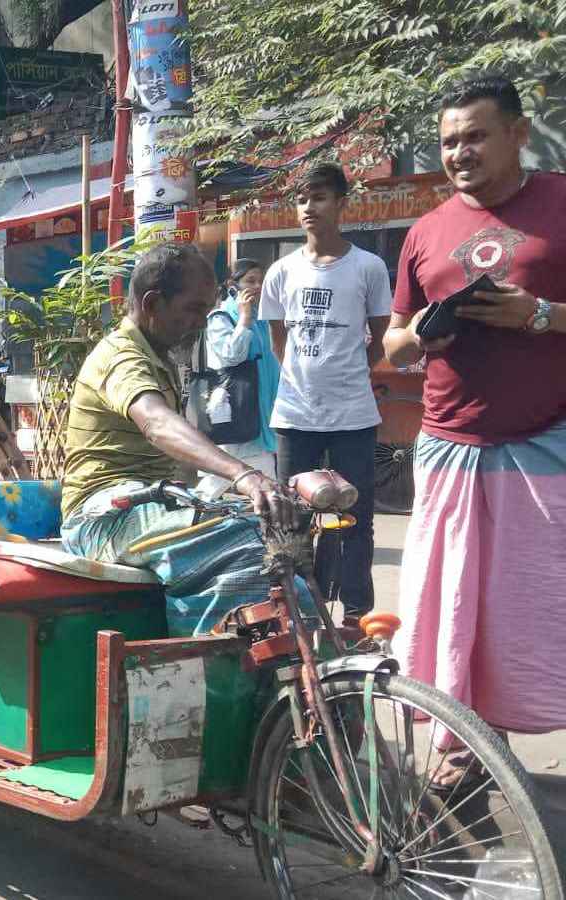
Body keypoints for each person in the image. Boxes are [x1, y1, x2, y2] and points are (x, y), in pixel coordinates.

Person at [382, 74, 566, 785]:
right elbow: (392, 345)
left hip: (548, 443)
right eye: (449, 141)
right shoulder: (426, 232)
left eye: (476, 136)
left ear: (519, 134)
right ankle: (466, 749)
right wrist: (423, 336)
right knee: (457, 608)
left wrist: (542, 315)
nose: (460, 153)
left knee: (542, 602)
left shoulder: (559, 202)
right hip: (449, 447)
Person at [60, 242, 309, 637]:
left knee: (282, 544)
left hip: (151, 504)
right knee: (246, 541)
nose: (201, 323)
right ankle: (197, 676)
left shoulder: (158, 356)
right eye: (193, 310)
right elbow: (157, 424)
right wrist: (241, 475)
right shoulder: (121, 357)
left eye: (207, 311)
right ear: (153, 303)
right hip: (103, 518)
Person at [259, 162, 391, 618]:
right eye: (301, 199)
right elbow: (280, 341)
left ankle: (356, 613)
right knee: (291, 520)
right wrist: (304, 375)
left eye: (318, 197)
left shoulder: (369, 267)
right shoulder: (280, 272)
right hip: (295, 416)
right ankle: (299, 613)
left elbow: (379, 335)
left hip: (354, 415)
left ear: (341, 204)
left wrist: (348, 372)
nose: (308, 207)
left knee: (356, 519)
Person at [197, 259, 279, 492]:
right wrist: (243, 320)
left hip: (262, 417)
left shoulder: (263, 319)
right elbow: (232, 355)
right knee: (217, 484)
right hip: (236, 413)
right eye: (250, 281)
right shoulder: (221, 318)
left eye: (261, 281)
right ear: (233, 285)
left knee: (263, 485)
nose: (258, 287)